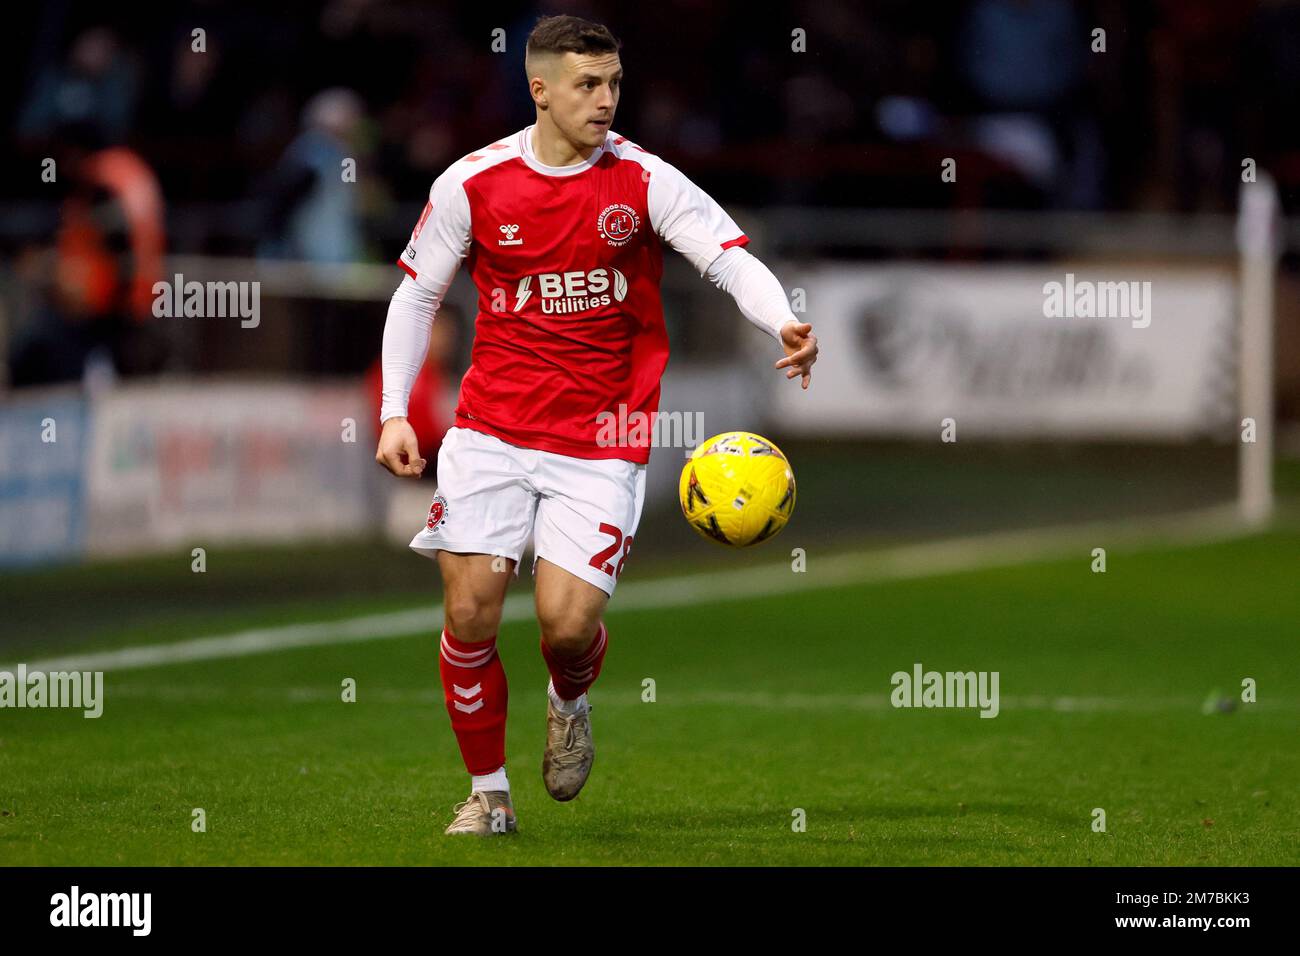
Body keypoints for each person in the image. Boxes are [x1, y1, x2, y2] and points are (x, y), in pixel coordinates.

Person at [374, 14, 818, 836]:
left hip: (603, 435)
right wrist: (397, 410)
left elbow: (725, 255)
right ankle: (489, 795)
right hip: (491, 427)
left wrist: (781, 318)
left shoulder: (645, 181)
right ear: (539, 88)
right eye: (587, 84)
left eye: (614, 83)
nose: (606, 100)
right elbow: (416, 296)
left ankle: (568, 697)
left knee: (567, 625)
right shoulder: (471, 184)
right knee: (470, 611)